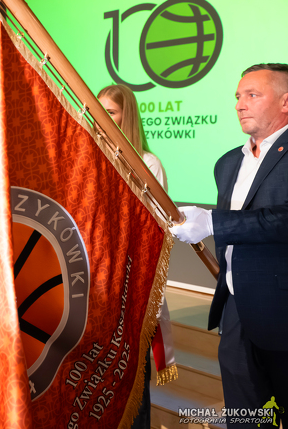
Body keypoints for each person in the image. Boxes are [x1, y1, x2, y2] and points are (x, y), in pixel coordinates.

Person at [170, 64, 288, 425]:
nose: (240, 104)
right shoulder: (227, 163)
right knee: (245, 417)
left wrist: (212, 223)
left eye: (252, 95)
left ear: (285, 102)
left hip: (283, 311)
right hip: (236, 309)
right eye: (238, 96)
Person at [98, 84, 175, 429]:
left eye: (110, 112)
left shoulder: (147, 162)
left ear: (126, 115)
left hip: (129, 279)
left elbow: (151, 224)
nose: (102, 118)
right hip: (95, 277)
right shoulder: (88, 153)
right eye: (98, 110)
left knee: (132, 371)